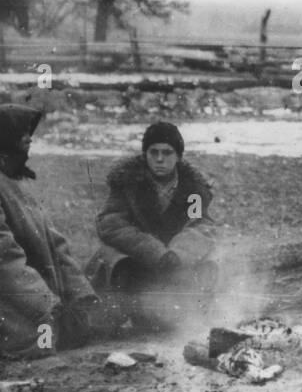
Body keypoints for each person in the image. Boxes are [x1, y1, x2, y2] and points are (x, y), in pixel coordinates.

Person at [0, 104, 99, 358]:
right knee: (35, 340)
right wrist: (46, 302)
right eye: (21, 132)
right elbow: (0, 260)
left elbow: (54, 242)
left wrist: (79, 293)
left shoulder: (15, 177)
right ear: (2, 136)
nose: (29, 138)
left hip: (25, 288)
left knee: (79, 328)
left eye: (29, 131)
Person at [85, 122, 217, 322]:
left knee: (211, 259)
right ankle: (113, 315)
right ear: (145, 154)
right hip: (138, 259)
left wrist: (179, 253)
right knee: (110, 257)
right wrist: (153, 251)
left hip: (176, 264)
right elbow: (111, 222)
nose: (160, 159)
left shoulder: (191, 189)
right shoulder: (128, 183)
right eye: (153, 152)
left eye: (167, 152)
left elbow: (197, 223)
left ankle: (189, 316)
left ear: (179, 157)